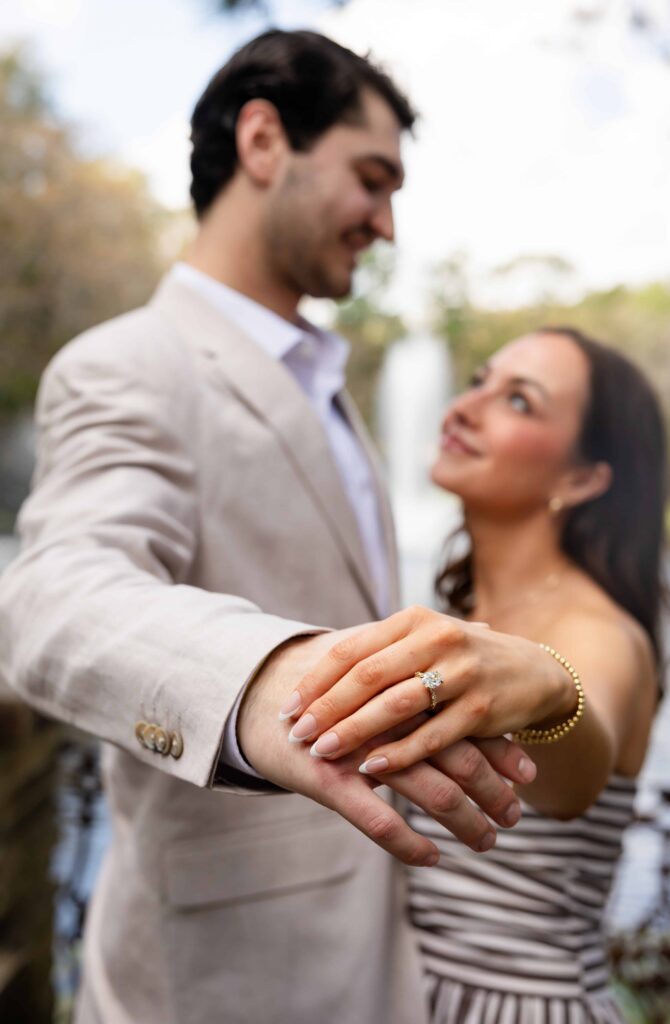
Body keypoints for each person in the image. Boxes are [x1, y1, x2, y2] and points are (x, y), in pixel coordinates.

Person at [0, 29, 575, 1024]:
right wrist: (267, 676)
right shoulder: (130, 362)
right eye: (370, 178)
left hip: (365, 959)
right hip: (210, 987)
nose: (386, 223)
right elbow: (52, 598)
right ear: (263, 140)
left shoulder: (327, 388)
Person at [284, 327, 670, 1022]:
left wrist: (553, 692)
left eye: (519, 401)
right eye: (478, 381)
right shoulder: (458, 619)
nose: (463, 408)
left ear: (581, 479)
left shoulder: (599, 631)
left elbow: (580, 772)